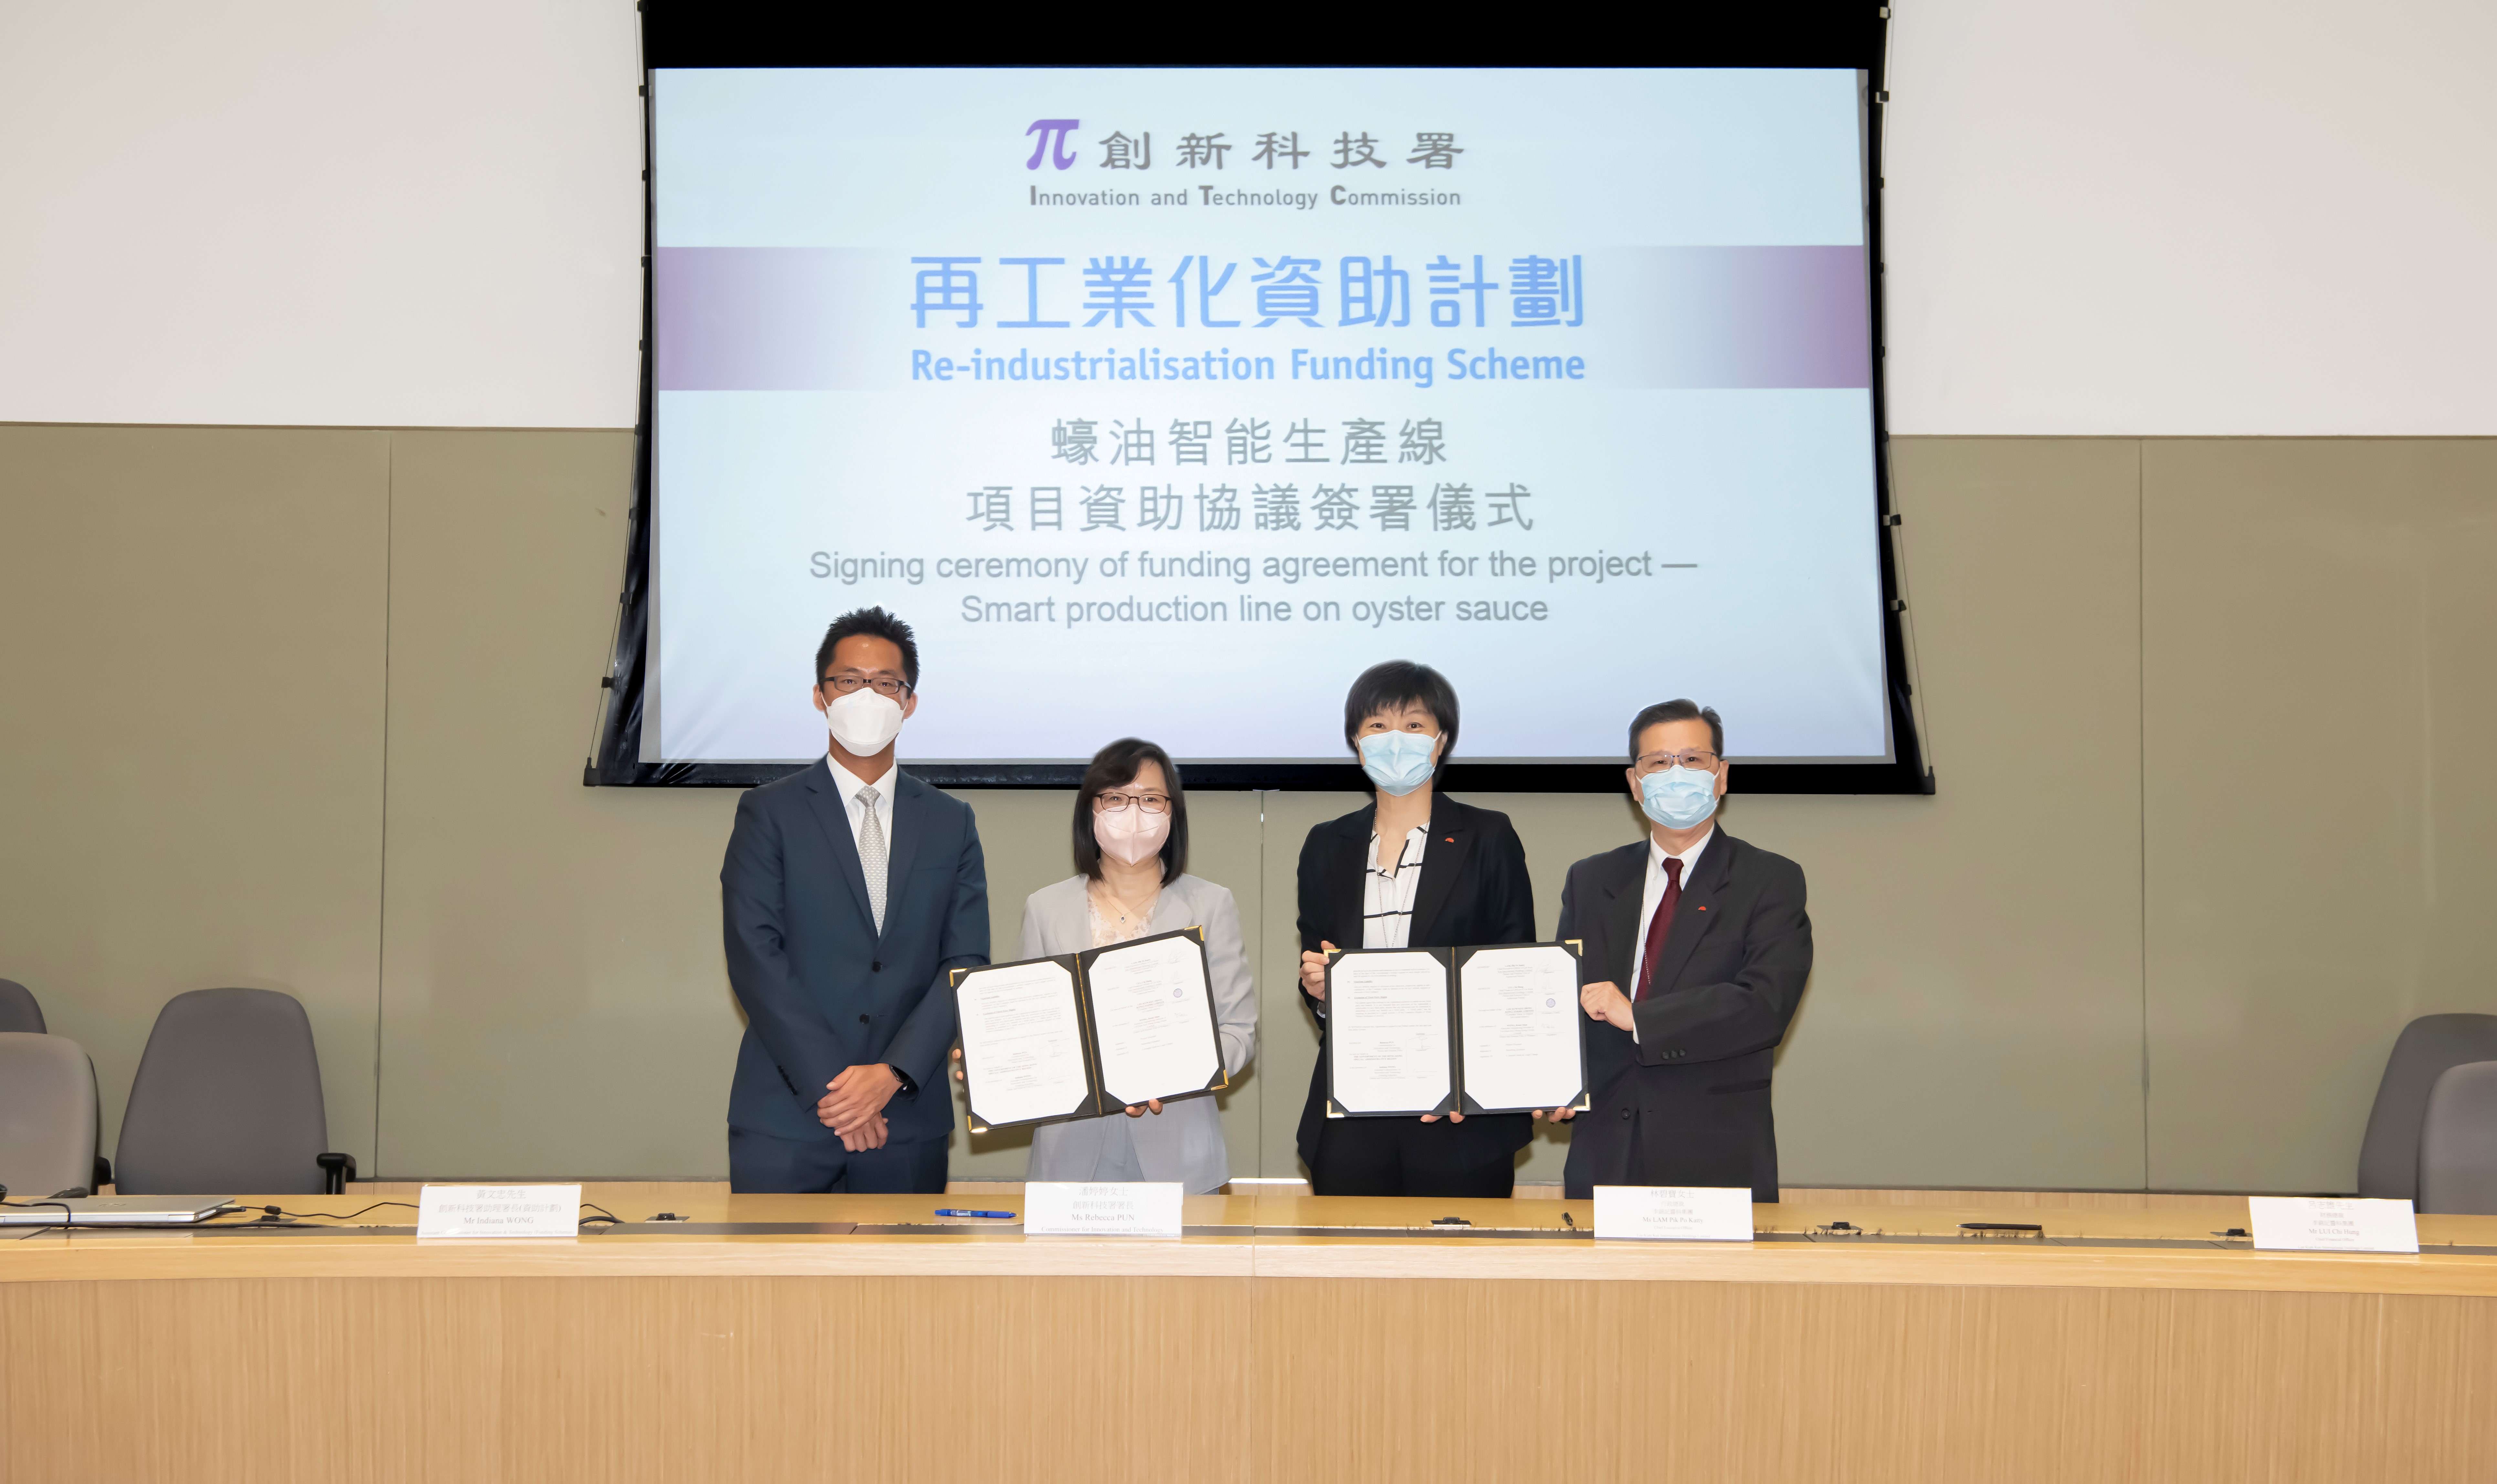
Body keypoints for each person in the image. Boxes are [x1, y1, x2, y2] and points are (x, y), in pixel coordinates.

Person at [718, 606, 989, 1194]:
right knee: (774, 1263)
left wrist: (891, 1074)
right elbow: (755, 955)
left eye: (886, 683)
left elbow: (965, 962)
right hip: (786, 1119)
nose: (867, 695)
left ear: (909, 702)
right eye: (849, 680)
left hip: (907, 1118)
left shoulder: (952, 821)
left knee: (906, 1263)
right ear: (820, 695)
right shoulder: (768, 813)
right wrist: (839, 1092)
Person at [1548, 700, 1813, 1202]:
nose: (1676, 774)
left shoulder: (1769, 879)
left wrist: (1639, 1017)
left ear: (1721, 775)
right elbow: (1567, 1004)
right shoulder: (1592, 879)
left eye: (1692, 759)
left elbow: (1764, 1004)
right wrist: (1552, 1078)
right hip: (1605, 1153)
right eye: (1658, 762)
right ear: (1634, 783)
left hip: (1714, 1154)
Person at [1294, 660, 1536, 1197]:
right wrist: (1321, 990)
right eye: (1378, 726)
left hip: (1460, 1115)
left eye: (1414, 725)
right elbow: (1317, 965)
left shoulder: (1489, 836)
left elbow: (1514, 973)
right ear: (1357, 743)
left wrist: (1471, 1081)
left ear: (1441, 741)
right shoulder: (1326, 845)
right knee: (1352, 1252)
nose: (1396, 739)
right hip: (1354, 1108)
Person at [1016, 738, 1257, 1192]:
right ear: (1090, 810)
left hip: (1181, 1152)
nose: (1133, 813)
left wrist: (1173, 1073)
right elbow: (1032, 1026)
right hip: (1071, 1155)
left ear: (1173, 813)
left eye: (1150, 799)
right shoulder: (1045, 908)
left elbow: (1238, 1032)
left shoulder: (1211, 904)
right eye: (1115, 798)